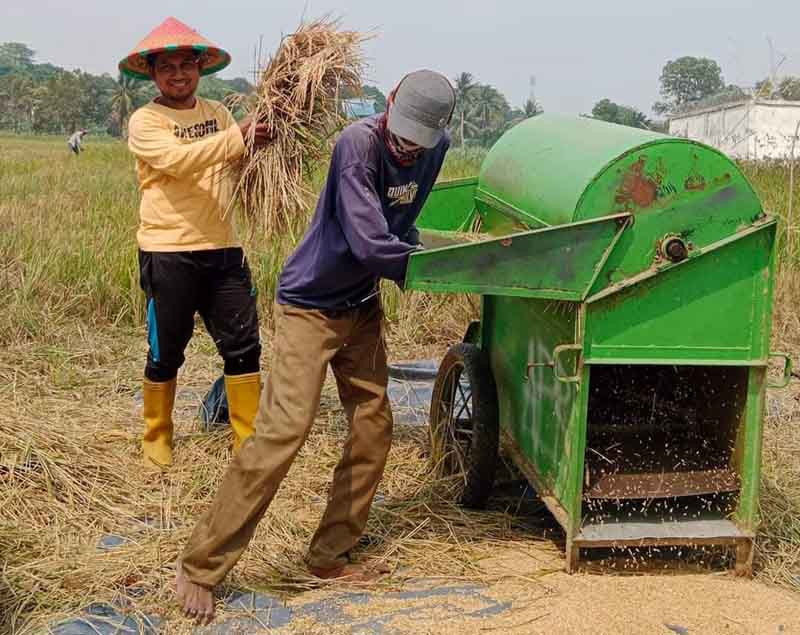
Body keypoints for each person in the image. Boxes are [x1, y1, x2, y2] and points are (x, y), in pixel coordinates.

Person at [175, 69, 456, 624]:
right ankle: (200, 565)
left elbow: (406, 219)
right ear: (390, 102)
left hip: (362, 306)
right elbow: (371, 239)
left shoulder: (435, 148)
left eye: (416, 141)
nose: (404, 148)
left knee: (374, 425)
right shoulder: (357, 145)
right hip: (310, 304)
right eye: (399, 132)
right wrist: (442, 266)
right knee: (285, 429)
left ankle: (329, 555)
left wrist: (421, 248)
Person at [119, 17, 271, 468]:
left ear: (201, 68)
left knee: (244, 346)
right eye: (168, 67)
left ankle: (247, 441)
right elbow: (179, 162)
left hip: (224, 249)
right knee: (167, 347)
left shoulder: (217, 114)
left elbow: (235, 156)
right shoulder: (146, 120)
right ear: (152, 73)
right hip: (168, 251)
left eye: (187, 64)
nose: (179, 74)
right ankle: (157, 436)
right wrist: (237, 137)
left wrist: (262, 140)